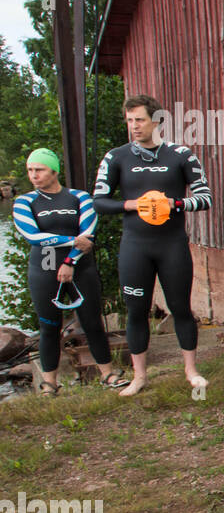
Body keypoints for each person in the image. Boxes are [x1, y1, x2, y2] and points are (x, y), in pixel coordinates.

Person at [93, 94, 212, 396]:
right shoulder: (116, 157)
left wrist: (175, 203)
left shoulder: (181, 155)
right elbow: (99, 202)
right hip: (136, 247)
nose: (134, 126)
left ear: (157, 121)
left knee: (181, 309)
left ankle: (191, 371)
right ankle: (140, 376)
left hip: (172, 244)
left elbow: (205, 198)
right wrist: (132, 204)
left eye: (140, 120)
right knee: (136, 312)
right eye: (130, 120)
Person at [14, 147, 126, 393]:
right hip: (44, 269)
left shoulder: (80, 198)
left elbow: (88, 233)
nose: (34, 175)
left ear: (54, 171)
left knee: (92, 323)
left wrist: (70, 261)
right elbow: (33, 236)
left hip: (80, 268)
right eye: (30, 170)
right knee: (48, 327)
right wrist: (72, 241)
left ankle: (108, 375)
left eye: (40, 170)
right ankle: (50, 383)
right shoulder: (25, 201)